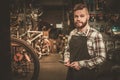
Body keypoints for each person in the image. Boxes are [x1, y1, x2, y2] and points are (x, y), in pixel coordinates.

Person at [64, 3, 106, 80]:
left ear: (88, 17)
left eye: (82, 16)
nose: (78, 19)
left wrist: (81, 64)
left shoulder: (95, 35)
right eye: (76, 16)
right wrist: (67, 58)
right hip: (71, 75)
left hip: (88, 75)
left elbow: (101, 58)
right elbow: (67, 50)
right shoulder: (72, 33)